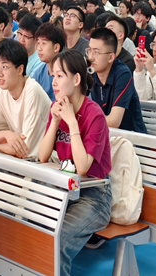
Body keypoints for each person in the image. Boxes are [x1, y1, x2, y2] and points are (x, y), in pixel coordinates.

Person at [38, 50, 112, 276]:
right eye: (53, 76)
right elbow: (42, 156)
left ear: (77, 79)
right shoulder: (58, 107)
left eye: (60, 76)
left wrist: (71, 122)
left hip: (95, 197)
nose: (54, 82)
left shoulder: (94, 115)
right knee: (31, 227)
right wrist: (55, 121)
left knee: (58, 240)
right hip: (66, 190)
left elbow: (83, 168)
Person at [0, 39, 50, 159]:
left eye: (5, 67)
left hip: (45, 162)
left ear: (20, 70)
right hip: (23, 161)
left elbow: (25, 149)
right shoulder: (3, 90)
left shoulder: (32, 91)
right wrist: (6, 135)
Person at [87, 28, 147, 133]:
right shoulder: (91, 71)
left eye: (96, 52)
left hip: (131, 138)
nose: (90, 57)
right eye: (89, 51)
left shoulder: (123, 74)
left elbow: (114, 122)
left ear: (111, 57)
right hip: (104, 135)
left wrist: (82, 120)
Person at [29, 22, 66, 101]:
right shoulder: (38, 73)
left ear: (56, 47)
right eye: (38, 43)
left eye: (44, 43)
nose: (39, 48)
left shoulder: (67, 72)